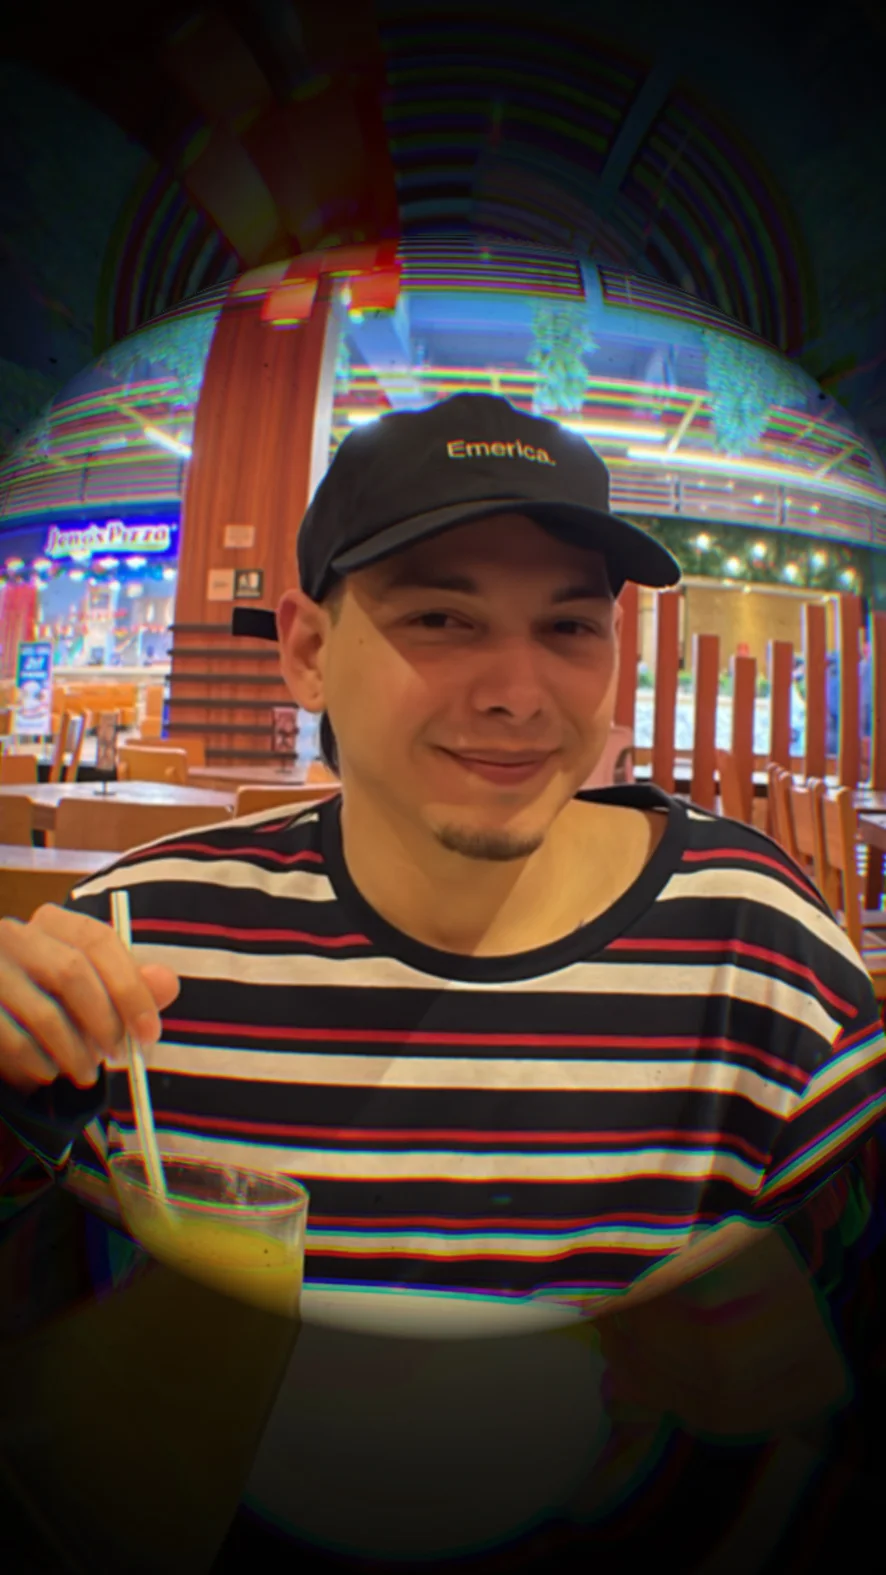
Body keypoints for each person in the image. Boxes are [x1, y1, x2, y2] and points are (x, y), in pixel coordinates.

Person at [1, 392, 886, 1575]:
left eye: (568, 626)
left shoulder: (754, 946)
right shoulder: (141, 944)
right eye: (440, 618)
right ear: (308, 653)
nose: (518, 691)